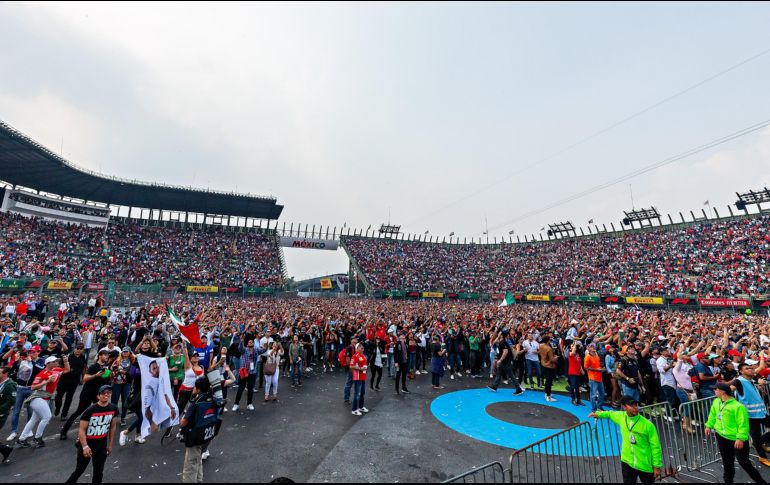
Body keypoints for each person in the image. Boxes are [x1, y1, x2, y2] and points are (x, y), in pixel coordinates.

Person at [589, 395, 663, 484]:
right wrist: (598, 414)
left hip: (645, 465)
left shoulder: (648, 425)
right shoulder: (621, 416)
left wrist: (656, 466)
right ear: (624, 407)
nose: (635, 407)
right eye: (631, 405)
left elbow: (655, 447)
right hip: (627, 462)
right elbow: (610, 414)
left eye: (636, 404)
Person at [705, 382, 766, 484]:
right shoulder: (716, 402)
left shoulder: (738, 407)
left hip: (736, 440)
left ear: (723, 392)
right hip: (721, 437)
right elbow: (713, 415)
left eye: (716, 389)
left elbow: (743, 424)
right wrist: (708, 425)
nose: (714, 391)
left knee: (745, 463)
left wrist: (740, 438)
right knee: (727, 462)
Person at [65, 385, 118, 484]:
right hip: (87, 444)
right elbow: (81, 430)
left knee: (98, 472)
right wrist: (85, 446)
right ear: (98, 396)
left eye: (109, 392)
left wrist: (110, 445)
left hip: (101, 445)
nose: (106, 395)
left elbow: (113, 427)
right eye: (103, 393)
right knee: (79, 470)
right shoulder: (90, 410)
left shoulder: (113, 408)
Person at [18, 355, 70, 448]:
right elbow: (33, 387)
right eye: (54, 361)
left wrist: (66, 361)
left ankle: (21, 439)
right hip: (38, 398)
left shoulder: (56, 370)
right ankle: (37, 438)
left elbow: (67, 370)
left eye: (57, 361)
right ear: (48, 363)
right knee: (47, 416)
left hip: (45, 399)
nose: (57, 363)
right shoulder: (42, 373)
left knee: (34, 419)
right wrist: (47, 381)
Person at [60, 348, 113, 439]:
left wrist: (111, 376)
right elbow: (85, 378)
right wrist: (96, 375)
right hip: (88, 393)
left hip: (98, 394)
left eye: (108, 355)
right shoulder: (94, 367)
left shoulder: (107, 367)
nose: (107, 356)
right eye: (105, 355)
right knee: (79, 412)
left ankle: (94, 433)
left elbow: (107, 381)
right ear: (100, 356)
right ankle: (64, 431)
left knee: (98, 413)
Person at [180, 377, 222, 483]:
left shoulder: (196, 403)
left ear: (198, 389)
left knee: (190, 467)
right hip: (207, 434)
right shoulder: (212, 399)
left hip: (194, 437)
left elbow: (183, 423)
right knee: (198, 461)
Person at [731, 363, 770, 467]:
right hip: (750, 415)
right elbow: (731, 388)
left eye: (751, 368)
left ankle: (759, 442)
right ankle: (762, 456)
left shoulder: (751, 380)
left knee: (757, 438)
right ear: (741, 372)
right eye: (747, 368)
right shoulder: (738, 381)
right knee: (755, 435)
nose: (751, 370)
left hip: (761, 413)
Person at [55, 343, 87, 421]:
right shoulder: (68, 356)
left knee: (69, 398)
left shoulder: (83, 357)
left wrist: (83, 378)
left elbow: (84, 368)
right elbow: (59, 365)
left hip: (74, 381)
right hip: (64, 379)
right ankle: (58, 408)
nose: (79, 350)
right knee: (58, 396)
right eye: (77, 348)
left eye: (81, 348)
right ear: (74, 348)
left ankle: (64, 414)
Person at [233, 337, 262, 411]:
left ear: (253, 344)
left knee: (250, 389)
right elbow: (240, 347)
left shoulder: (256, 350)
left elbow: (262, 351)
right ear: (247, 344)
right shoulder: (244, 350)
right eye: (249, 342)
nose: (250, 343)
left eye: (252, 342)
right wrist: (241, 341)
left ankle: (249, 404)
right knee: (241, 388)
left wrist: (266, 346)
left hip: (252, 372)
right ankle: (236, 404)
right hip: (244, 371)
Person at [0, 366, 16, 462]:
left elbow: (11, 400)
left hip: (1, 414)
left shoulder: (9, 385)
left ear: (5, 374)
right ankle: (5, 449)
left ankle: (5, 449)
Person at [584, 344, 606, 412]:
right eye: (591, 346)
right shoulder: (587, 357)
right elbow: (586, 367)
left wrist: (601, 369)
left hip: (599, 377)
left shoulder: (597, 356)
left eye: (594, 346)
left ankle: (599, 406)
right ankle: (594, 408)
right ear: (588, 349)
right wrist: (598, 370)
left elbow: (598, 365)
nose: (593, 347)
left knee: (602, 393)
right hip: (593, 378)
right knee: (593, 394)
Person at [350, 343, 368, 416]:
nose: (362, 348)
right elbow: (351, 366)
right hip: (357, 377)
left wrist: (364, 367)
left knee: (362, 393)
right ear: (357, 349)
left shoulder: (363, 355)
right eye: (361, 347)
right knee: (357, 393)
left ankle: (360, 407)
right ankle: (354, 409)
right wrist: (360, 368)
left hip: (363, 376)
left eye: (363, 347)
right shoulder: (355, 356)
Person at [538, 335, 557, 402]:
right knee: (549, 381)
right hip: (549, 366)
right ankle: (548, 397)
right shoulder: (549, 348)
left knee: (547, 381)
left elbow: (539, 353)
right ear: (548, 340)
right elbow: (552, 359)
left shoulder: (540, 346)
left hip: (543, 364)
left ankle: (546, 394)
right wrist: (556, 358)